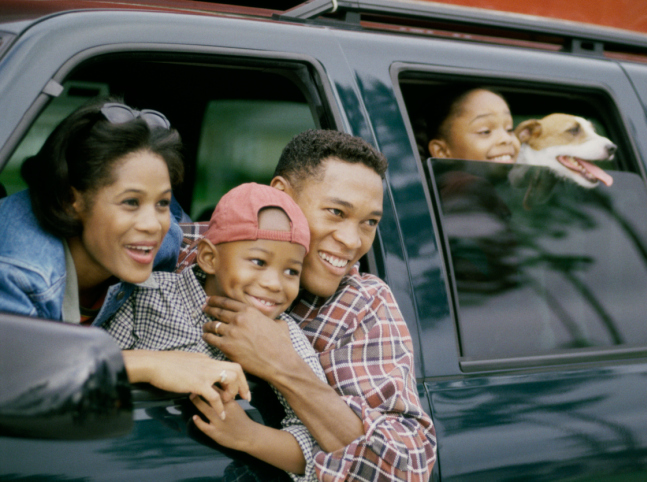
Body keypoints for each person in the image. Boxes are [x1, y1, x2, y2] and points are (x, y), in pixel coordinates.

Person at [195, 130, 438, 481]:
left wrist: (284, 366)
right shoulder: (193, 247)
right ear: (281, 196)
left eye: (369, 222)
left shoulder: (360, 304)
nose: (353, 241)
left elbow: (403, 471)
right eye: (336, 212)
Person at [0, 98, 247, 417]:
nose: (152, 225)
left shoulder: (165, 239)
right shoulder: (20, 273)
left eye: (161, 203)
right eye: (130, 202)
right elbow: (12, 378)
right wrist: (146, 364)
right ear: (69, 199)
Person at [103, 182, 326, 482]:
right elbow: (95, 368)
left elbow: (320, 451)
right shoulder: (149, 295)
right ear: (209, 258)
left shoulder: (285, 337)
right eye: (258, 262)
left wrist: (249, 435)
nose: (275, 284)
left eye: (291, 271)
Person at [423, 86, 520, 163]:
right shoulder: (465, 186)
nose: (506, 139)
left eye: (509, 130)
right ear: (442, 152)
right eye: (485, 132)